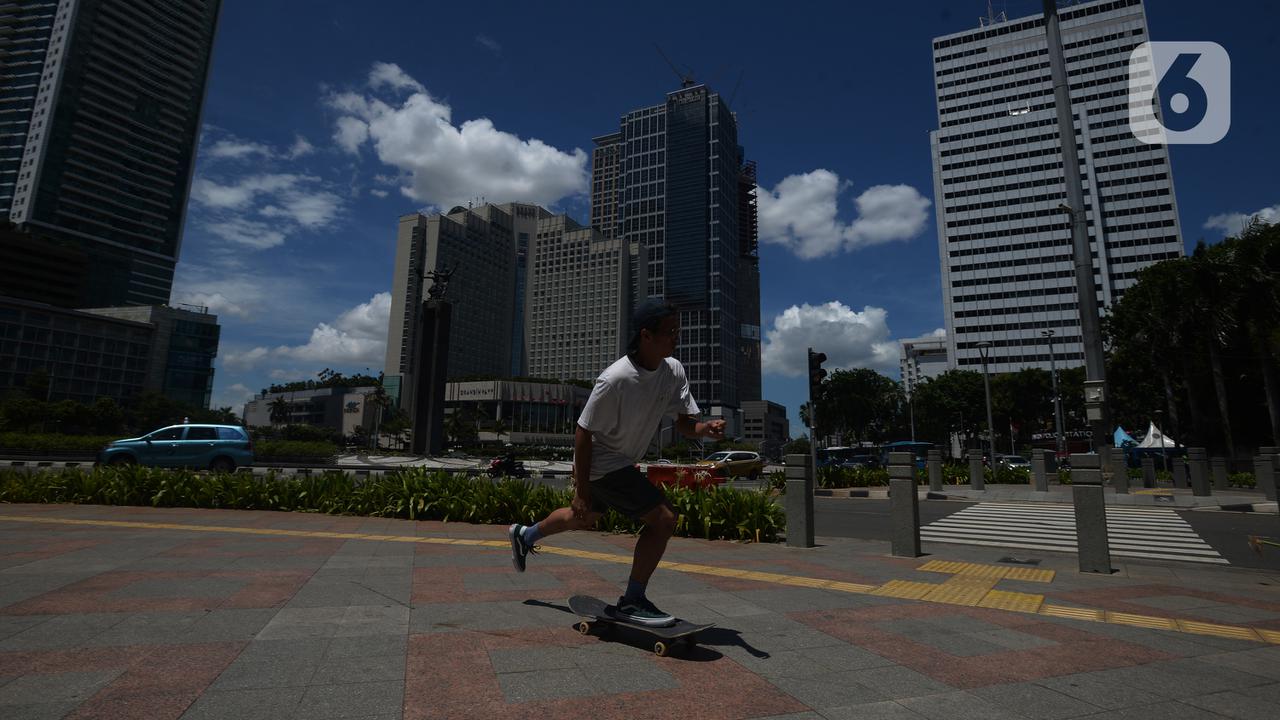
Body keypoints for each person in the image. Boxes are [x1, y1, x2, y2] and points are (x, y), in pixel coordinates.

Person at [507, 300, 724, 627]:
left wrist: (704, 429)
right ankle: (633, 600)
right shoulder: (616, 379)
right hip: (602, 462)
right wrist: (581, 489)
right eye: (669, 332)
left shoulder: (673, 371)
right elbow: (582, 432)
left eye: (677, 331)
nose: (675, 338)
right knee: (664, 519)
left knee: (583, 519)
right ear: (646, 336)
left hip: (620, 463)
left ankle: (525, 535)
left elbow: (683, 423)